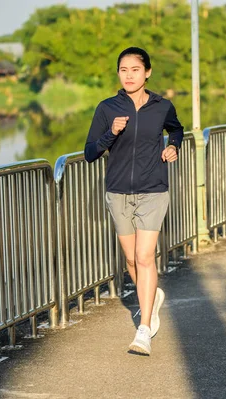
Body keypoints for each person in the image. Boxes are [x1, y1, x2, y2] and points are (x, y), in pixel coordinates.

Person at [84, 47, 183, 355]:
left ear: (147, 72)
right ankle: (151, 299)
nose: (129, 75)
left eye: (135, 69)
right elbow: (90, 153)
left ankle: (143, 330)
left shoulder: (161, 106)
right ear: (119, 74)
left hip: (153, 189)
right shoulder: (107, 107)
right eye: (123, 70)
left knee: (144, 257)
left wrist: (173, 146)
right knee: (130, 260)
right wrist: (110, 134)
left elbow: (176, 129)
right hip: (118, 192)